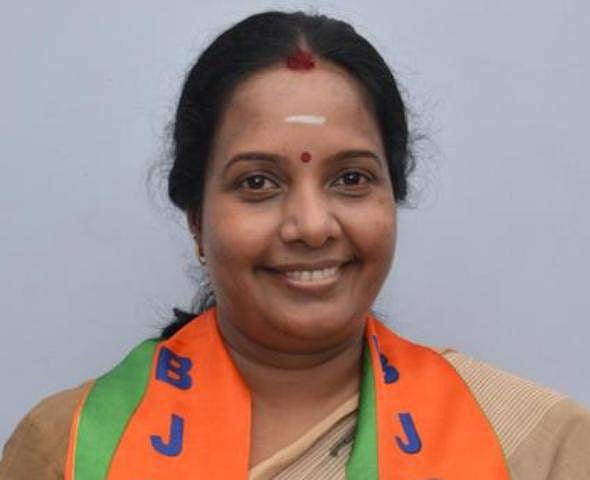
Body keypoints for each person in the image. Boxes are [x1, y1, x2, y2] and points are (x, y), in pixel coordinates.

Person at [1, 10, 589, 480]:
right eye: (258, 183)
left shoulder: (535, 445)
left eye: (351, 178)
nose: (311, 226)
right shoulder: (70, 448)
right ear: (197, 219)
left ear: (392, 197)